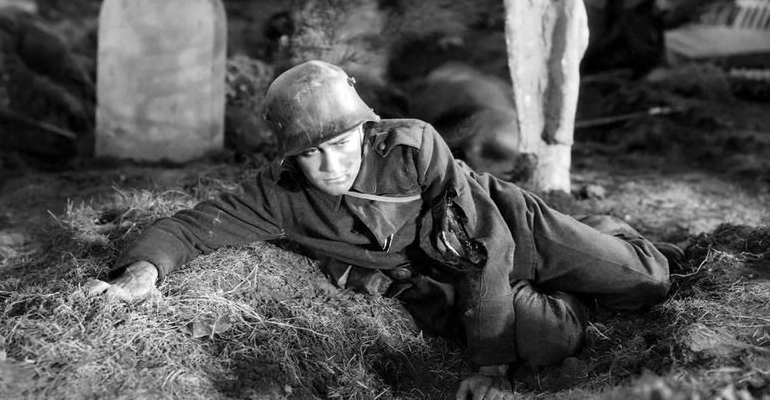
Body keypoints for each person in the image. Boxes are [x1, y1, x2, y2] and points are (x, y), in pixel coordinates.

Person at [88, 60, 679, 400]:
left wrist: (491, 364)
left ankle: (599, 233)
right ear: (289, 157)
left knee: (649, 280)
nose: (332, 166)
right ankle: (565, 292)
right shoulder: (278, 193)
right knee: (549, 340)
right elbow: (190, 228)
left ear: (365, 131)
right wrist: (142, 270)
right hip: (445, 281)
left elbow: (485, 245)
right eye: (311, 155)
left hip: (508, 230)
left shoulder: (413, 145)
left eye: (341, 144)